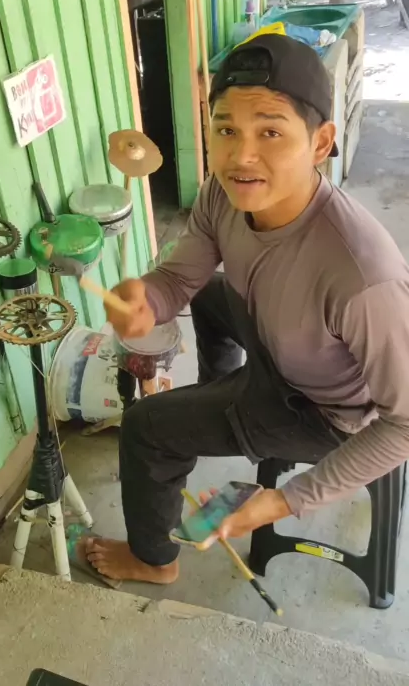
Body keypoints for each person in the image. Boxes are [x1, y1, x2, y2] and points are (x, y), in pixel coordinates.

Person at [85, 32, 409, 584]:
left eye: (271, 131)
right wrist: (149, 300)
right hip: (283, 342)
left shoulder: (363, 278)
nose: (241, 156)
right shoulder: (224, 192)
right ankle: (219, 396)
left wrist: (284, 500)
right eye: (226, 129)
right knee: (211, 292)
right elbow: (178, 279)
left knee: (145, 426)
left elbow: (402, 426)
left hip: (323, 411)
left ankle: (153, 560)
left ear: (321, 143)